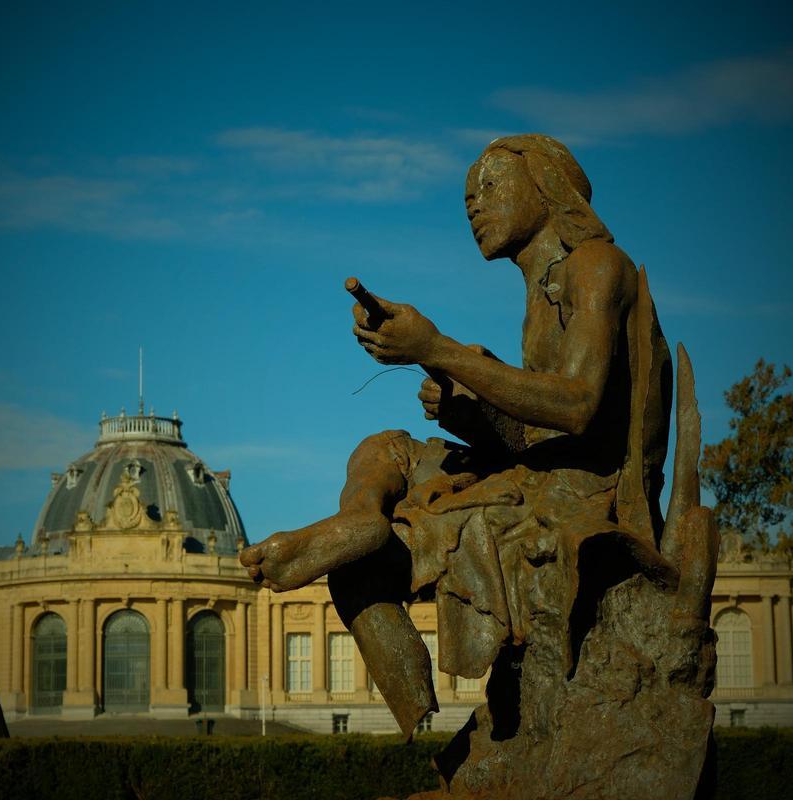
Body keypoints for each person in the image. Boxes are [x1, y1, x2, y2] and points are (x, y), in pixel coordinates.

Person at [240, 134, 677, 734]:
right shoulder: (540, 286)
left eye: (490, 185)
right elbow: (538, 427)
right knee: (381, 449)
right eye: (468, 195)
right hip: (542, 470)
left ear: (546, 185)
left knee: (358, 570)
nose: (474, 204)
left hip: (585, 496)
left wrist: (438, 348)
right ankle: (362, 520)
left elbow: (578, 409)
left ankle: (410, 680)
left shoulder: (597, 266)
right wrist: (470, 410)